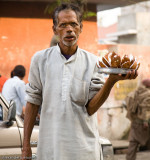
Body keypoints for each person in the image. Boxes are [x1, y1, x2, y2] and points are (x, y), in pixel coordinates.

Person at [22, 3, 138, 160]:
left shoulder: (94, 62)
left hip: (84, 150)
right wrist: (26, 146)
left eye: (73, 24)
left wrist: (111, 81)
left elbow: (91, 108)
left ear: (81, 28)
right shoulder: (40, 60)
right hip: (50, 149)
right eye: (63, 25)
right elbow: (32, 102)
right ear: (55, 29)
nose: (69, 29)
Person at [125, 78, 150, 160]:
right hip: (144, 124)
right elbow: (146, 109)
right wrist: (145, 121)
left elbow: (127, 105)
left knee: (132, 143)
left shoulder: (133, 93)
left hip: (134, 123)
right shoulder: (147, 94)